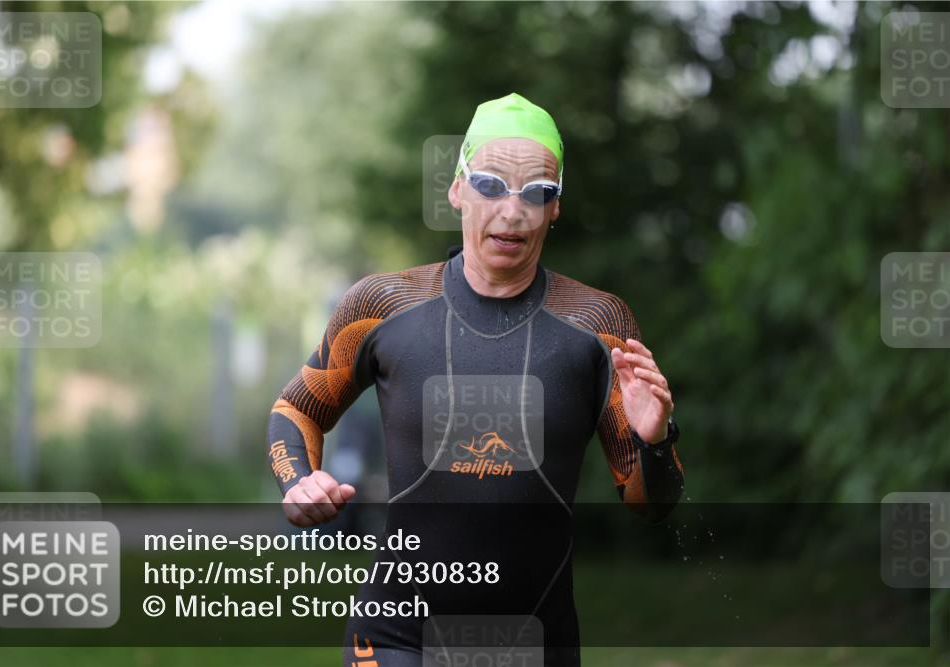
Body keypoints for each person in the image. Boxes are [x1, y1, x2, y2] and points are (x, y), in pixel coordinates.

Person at [267, 92, 684, 667]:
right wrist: (298, 481)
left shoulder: (599, 326)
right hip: (394, 640)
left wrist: (655, 440)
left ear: (556, 208)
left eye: (537, 193)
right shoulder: (382, 305)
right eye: (490, 185)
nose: (511, 212)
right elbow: (297, 410)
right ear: (457, 189)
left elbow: (651, 506)